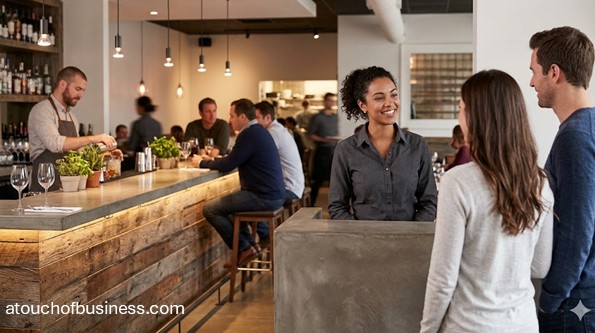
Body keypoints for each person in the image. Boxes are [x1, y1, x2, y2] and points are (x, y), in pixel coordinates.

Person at [420, 69, 554, 332]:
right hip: (523, 324)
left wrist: (428, 330)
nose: (459, 118)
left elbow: (443, 277)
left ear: (475, 117)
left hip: (470, 325)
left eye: (460, 108)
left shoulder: (457, 182)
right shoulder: (540, 183)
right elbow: (539, 267)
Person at [529, 26, 595, 331]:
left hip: (575, 302)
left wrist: (550, 298)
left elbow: (577, 228)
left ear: (554, 72)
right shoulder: (587, 127)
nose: (531, 81)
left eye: (534, 71)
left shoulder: (575, 136)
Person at [328, 66, 436, 221]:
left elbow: (429, 202)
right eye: (379, 98)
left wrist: (412, 235)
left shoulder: (418, 145)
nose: (389, 103)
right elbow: (337, 206)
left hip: (410, 242)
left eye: (393, 95)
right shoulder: (346, 150)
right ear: (362, 105)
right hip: (363, 242)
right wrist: (359, 238)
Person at [192, 98, 285, 267]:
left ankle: (244, 248)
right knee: (229, 210)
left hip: (263, 196)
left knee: (210, 209)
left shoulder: (249, 134)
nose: (229, 120)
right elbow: (234, 158)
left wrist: (202, 163)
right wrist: (211, 160)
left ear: (242, 117)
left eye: (232, 115)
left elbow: (228, 164)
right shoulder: (258, 131)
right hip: (271, 194)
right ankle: (251, 246)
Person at [28, 66, 118, 192]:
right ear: (63, 84)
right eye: (78, 89)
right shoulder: (42, 110)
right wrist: (94, 138)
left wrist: (105, 154)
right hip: (44, 187)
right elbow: (55, 144)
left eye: (83, 90)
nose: (80, 95)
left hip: (67, 186)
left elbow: (78, 150)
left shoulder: (71, 116)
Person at [255, 101, 304, 200]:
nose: (254, 122)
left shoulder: (273, 133)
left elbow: (258, 158)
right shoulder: (277, 129)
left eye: (257, 118)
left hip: (289, 188)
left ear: (268, 118)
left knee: (244, 198)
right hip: (295, 186)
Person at [307, 92, 339, 206]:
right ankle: (310, 205)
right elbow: (310, 134)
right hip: (322, 151)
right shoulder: (317, 117)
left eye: (333, 101)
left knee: (335, 181)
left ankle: (335, 206)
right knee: (318, 181)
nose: (331, 103)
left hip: (335, 151)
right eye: (329, 100)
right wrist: (325, 140)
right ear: (325, 101)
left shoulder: (336, 117)